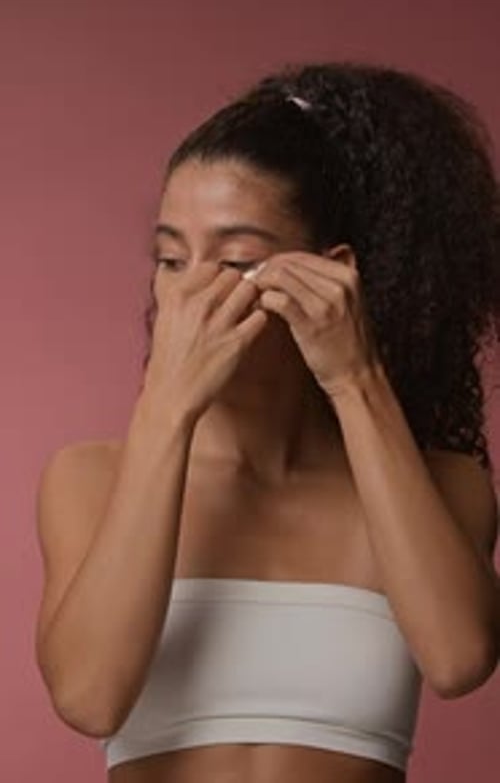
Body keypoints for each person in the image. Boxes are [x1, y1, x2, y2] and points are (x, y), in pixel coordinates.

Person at [35, 61, 500, 783]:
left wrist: (355, 376)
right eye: (169, 258)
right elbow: (90, 698)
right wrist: (166, 407)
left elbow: (458, 659)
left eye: (238, 258)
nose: (189, 293)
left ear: (332, 275)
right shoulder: (88, 478)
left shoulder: (445, 484)